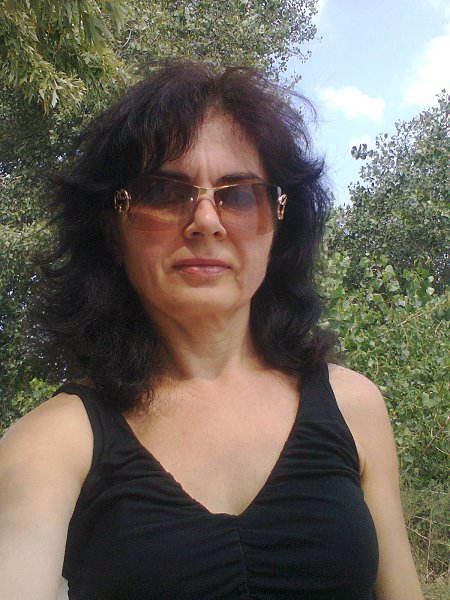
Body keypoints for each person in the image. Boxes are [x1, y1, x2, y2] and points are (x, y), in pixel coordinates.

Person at [0, 61, 423, 600]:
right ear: (112, 227)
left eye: (240, 194)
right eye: (163, 192)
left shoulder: (355, 406)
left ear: (279, 223)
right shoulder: (53, 441)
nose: (206, 220)